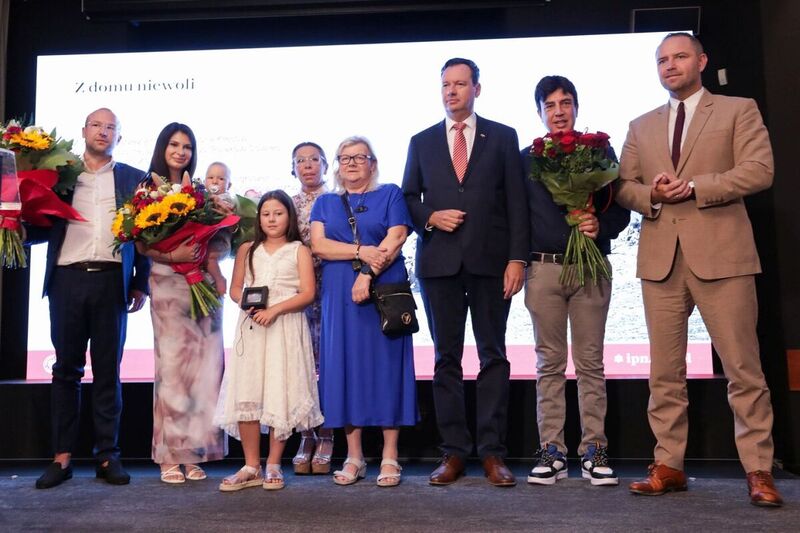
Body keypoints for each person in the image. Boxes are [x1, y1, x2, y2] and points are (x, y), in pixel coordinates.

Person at [615, 33, 783, 507]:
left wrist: (694, 186)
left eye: (680, 56)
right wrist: (652, 194)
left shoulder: (737, 109)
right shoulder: (641, 124)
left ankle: (758, 469)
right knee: (664, 375)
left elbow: (759, 170)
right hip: (661, 259)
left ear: (702, 61)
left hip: (724, 256)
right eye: (662, 60)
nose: (670, 66)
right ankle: (668, 464)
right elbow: (625, 187)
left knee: (743, 371)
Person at [402, 58, 529, 487]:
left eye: (460, 84)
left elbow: (517, 202)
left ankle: (493, 453)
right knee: (445, 359)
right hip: (439, 265)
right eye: (445, 85)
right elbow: (408, 197)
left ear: (477, 88)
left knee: (494, 357)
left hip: (492, 263)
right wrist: (432, 216)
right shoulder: (421, 141)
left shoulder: (503, 136)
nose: (451, 91)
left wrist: (517, 259)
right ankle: (453, 452)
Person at [26, 107, 150, 489]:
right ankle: (61, 458)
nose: (103, 131)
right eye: (97, 125)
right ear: (83, 131)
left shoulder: (133, 178)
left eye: (111, 127)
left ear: (119, 136)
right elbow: (38, 226)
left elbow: (145, 234)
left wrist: (140, 281)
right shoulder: (61, 174)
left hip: (112, 281)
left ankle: (107, 456)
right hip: (67, 279)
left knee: (108, 371)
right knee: (65, 369)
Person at [522, 76, 630, 487]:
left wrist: (598, 224)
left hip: (590, 267)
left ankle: (594, 450)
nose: (559, 111)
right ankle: (552, 451)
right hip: (543, 270)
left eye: (565, 103)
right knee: (548, 363)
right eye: (550, 105)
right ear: (540, 113)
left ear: (576, 107)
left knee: (590, 364)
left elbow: (620, 212)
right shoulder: (527, 159)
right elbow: (518, 219)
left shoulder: (598, 152)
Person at [310, 136, 418, 487]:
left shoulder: (389, 194)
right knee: (345, 371)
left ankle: (389, 456)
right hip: (340, 297)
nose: (352, 163)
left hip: (384, 290)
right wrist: (361, 251)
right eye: (344, 158)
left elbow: (397, 235)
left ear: (373, 162)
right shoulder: (325, 202)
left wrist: (367, 273)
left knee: (388, 369)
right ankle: (353, 455)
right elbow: (320, 245)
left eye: (360, 157)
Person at [214, 190, 324, 491]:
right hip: (252, 329)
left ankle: (274, 464)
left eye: (278, 213)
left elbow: (308, 293)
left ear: (289, 216)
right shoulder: (248, 249)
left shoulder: (299, 250)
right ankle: (251, 465)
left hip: (285, 326)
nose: (272, 219)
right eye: (266, 214)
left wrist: (275, 309)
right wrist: (248, 305)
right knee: (248, 391)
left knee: (280, 390)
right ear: (258, 218)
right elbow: (236, 288)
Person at [137, 122, 227, 484]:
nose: (180, 151)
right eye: (174, 144)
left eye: (187, 146)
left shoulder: (201, 192)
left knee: (205, 370)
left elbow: (220, 239)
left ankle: (195, 453)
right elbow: (141, 243)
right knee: (173, 370)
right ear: (163, 147)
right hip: (167, 283)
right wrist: (174, 253)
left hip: (202, 282)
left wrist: (207, 256)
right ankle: (169, 454)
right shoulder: (146, 190)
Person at [289, 142, 335, 475]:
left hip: (333, 291)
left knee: (329, 365)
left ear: (325, 165)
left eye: (314, 160)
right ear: (293, 169)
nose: (307, 165)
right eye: (300, 161)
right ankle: (306, 435)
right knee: (300, 364)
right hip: (297, 294)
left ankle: (329, 434)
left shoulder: (336, 200)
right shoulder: (286, 205)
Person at [203, 161, 234, 295]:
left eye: (221, 179)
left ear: (229, 185)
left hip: (220, 240)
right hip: (207, 239)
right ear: (204, 182)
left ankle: (219, 279)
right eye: (211, 178)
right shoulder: (203, 197)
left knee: (210, 257)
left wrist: (216, 201)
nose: (215, 181)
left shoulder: (226, 199)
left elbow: (225, 211)